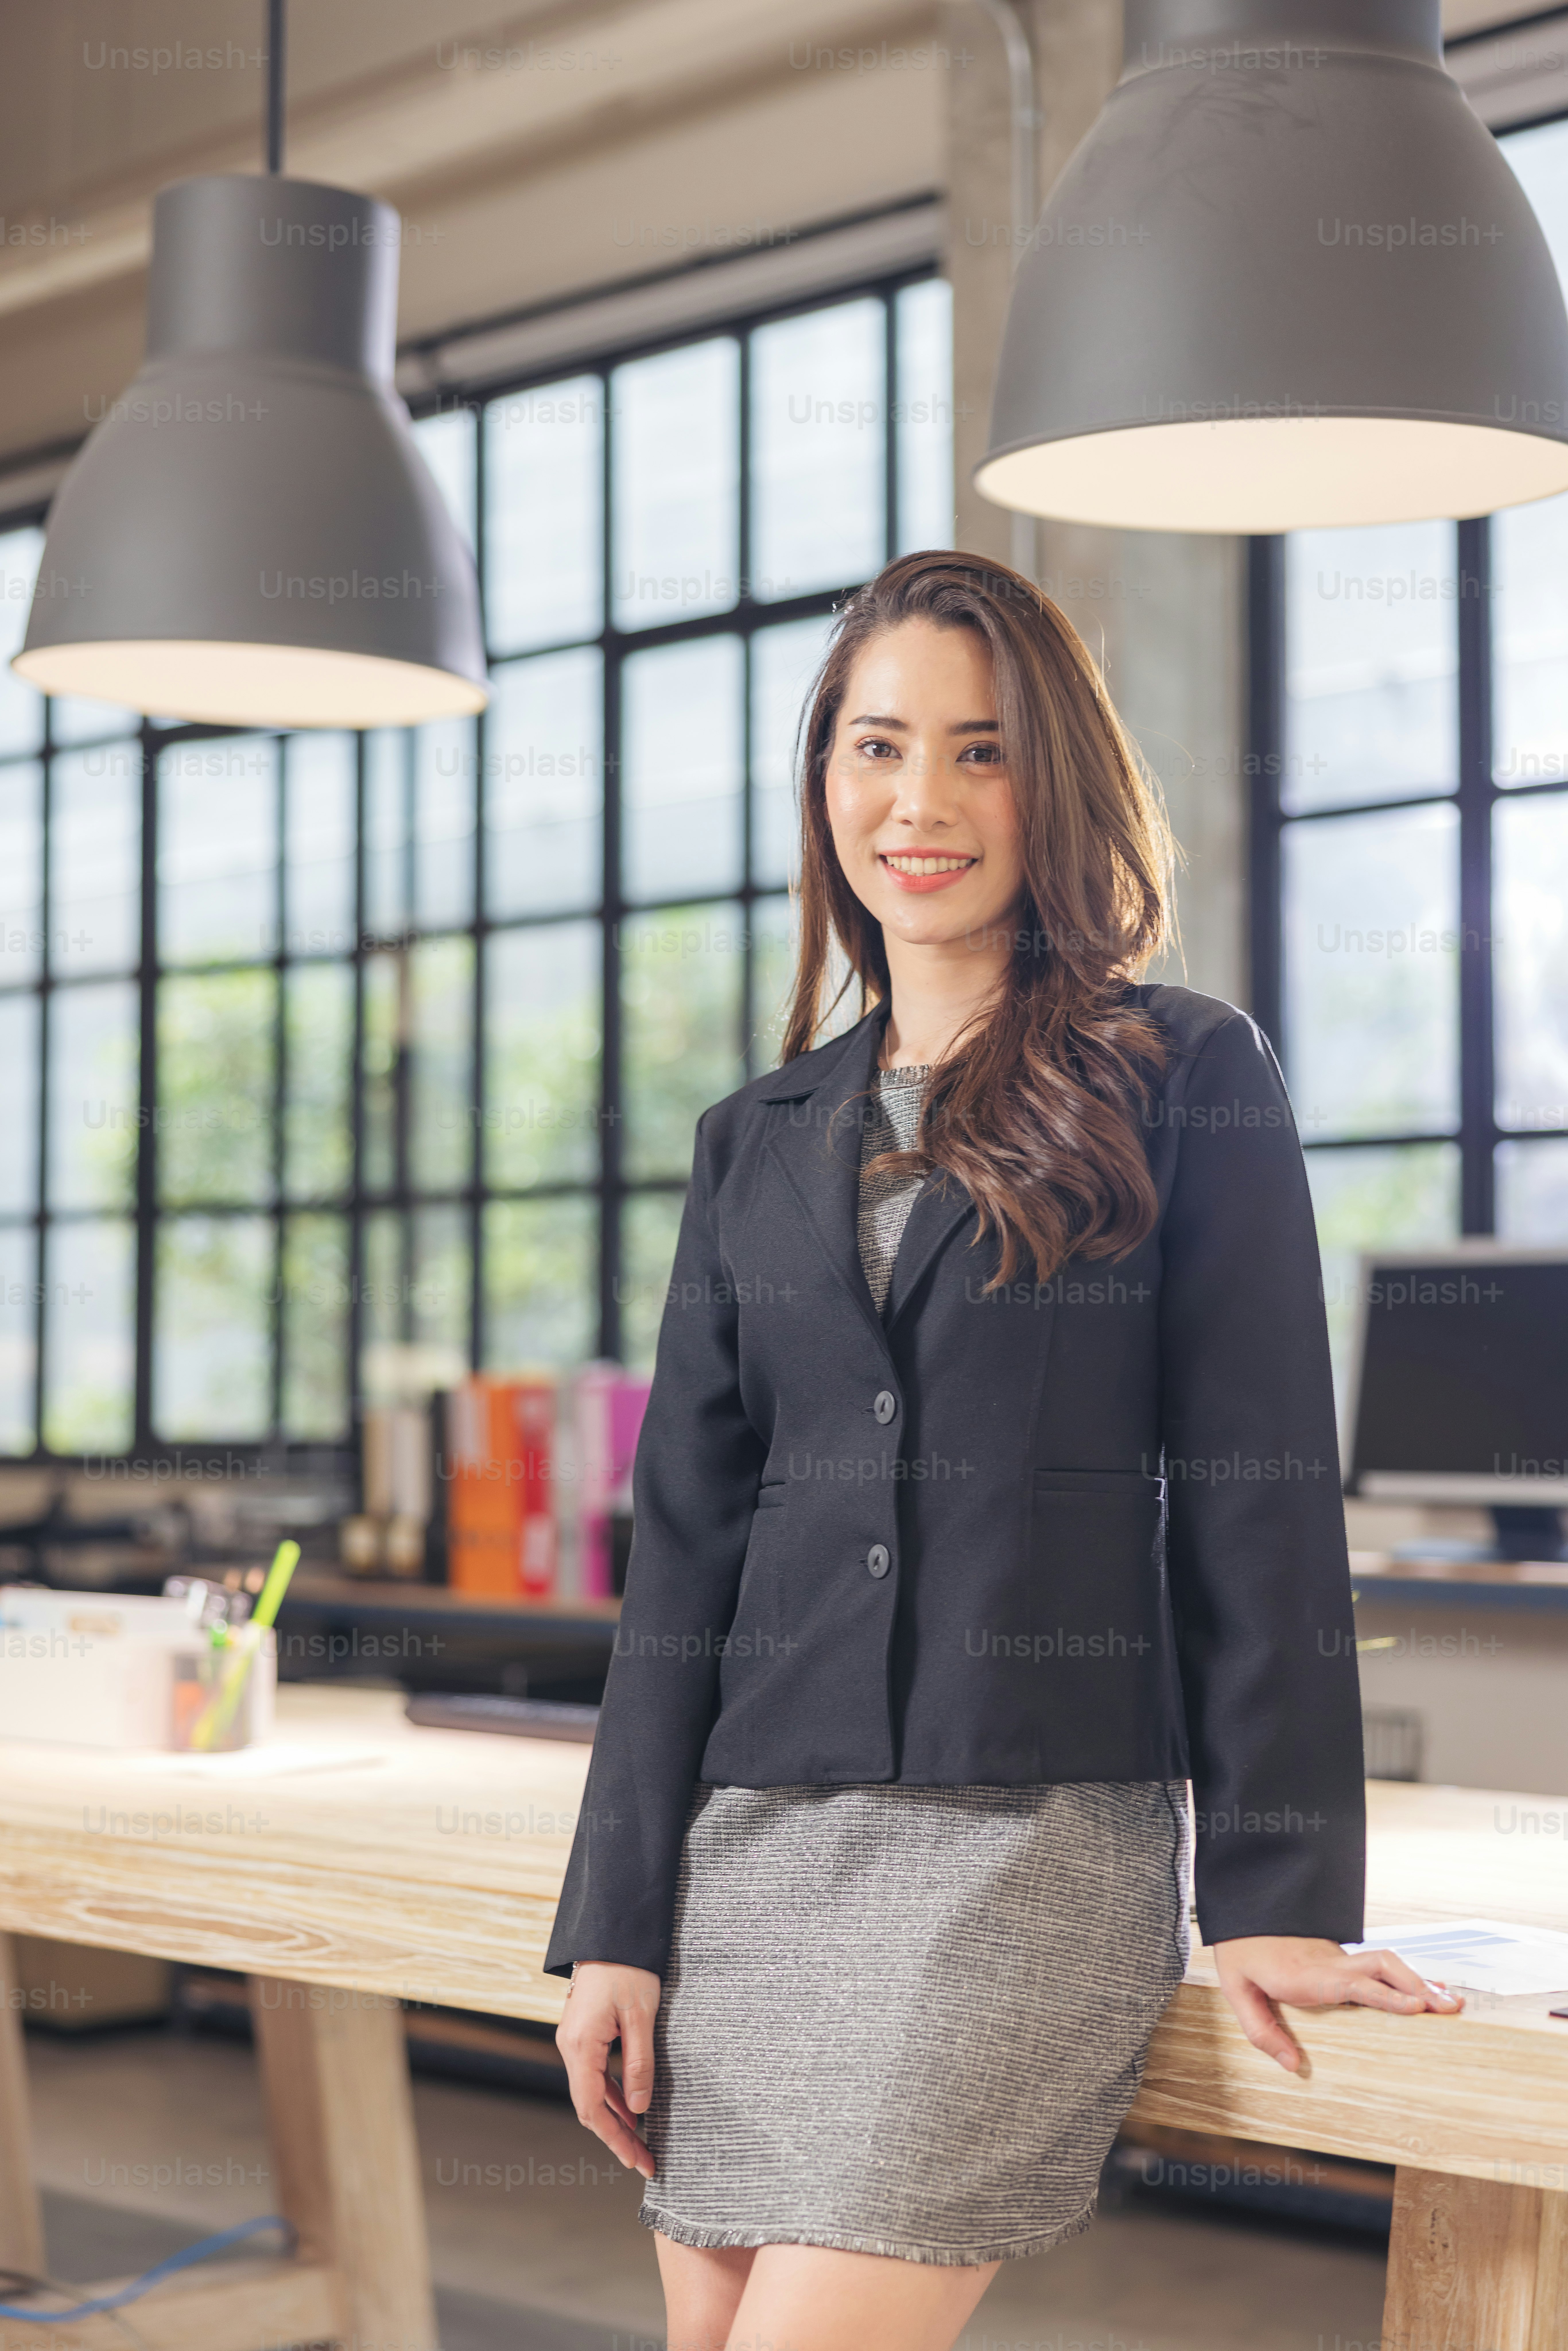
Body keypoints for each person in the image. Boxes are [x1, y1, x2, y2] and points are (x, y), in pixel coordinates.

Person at [547, 551, 1459, 2351]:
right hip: (757, 1849)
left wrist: (1275, 1887)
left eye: (981, 753)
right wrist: (617, 1920)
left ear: (1055, 787)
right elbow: (685, 1545)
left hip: (1026, 1837)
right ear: (824, 782)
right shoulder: (755, 1138)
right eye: (877, 747)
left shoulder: (1180, 1071)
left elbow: (1258, 1488)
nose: (921, 803)